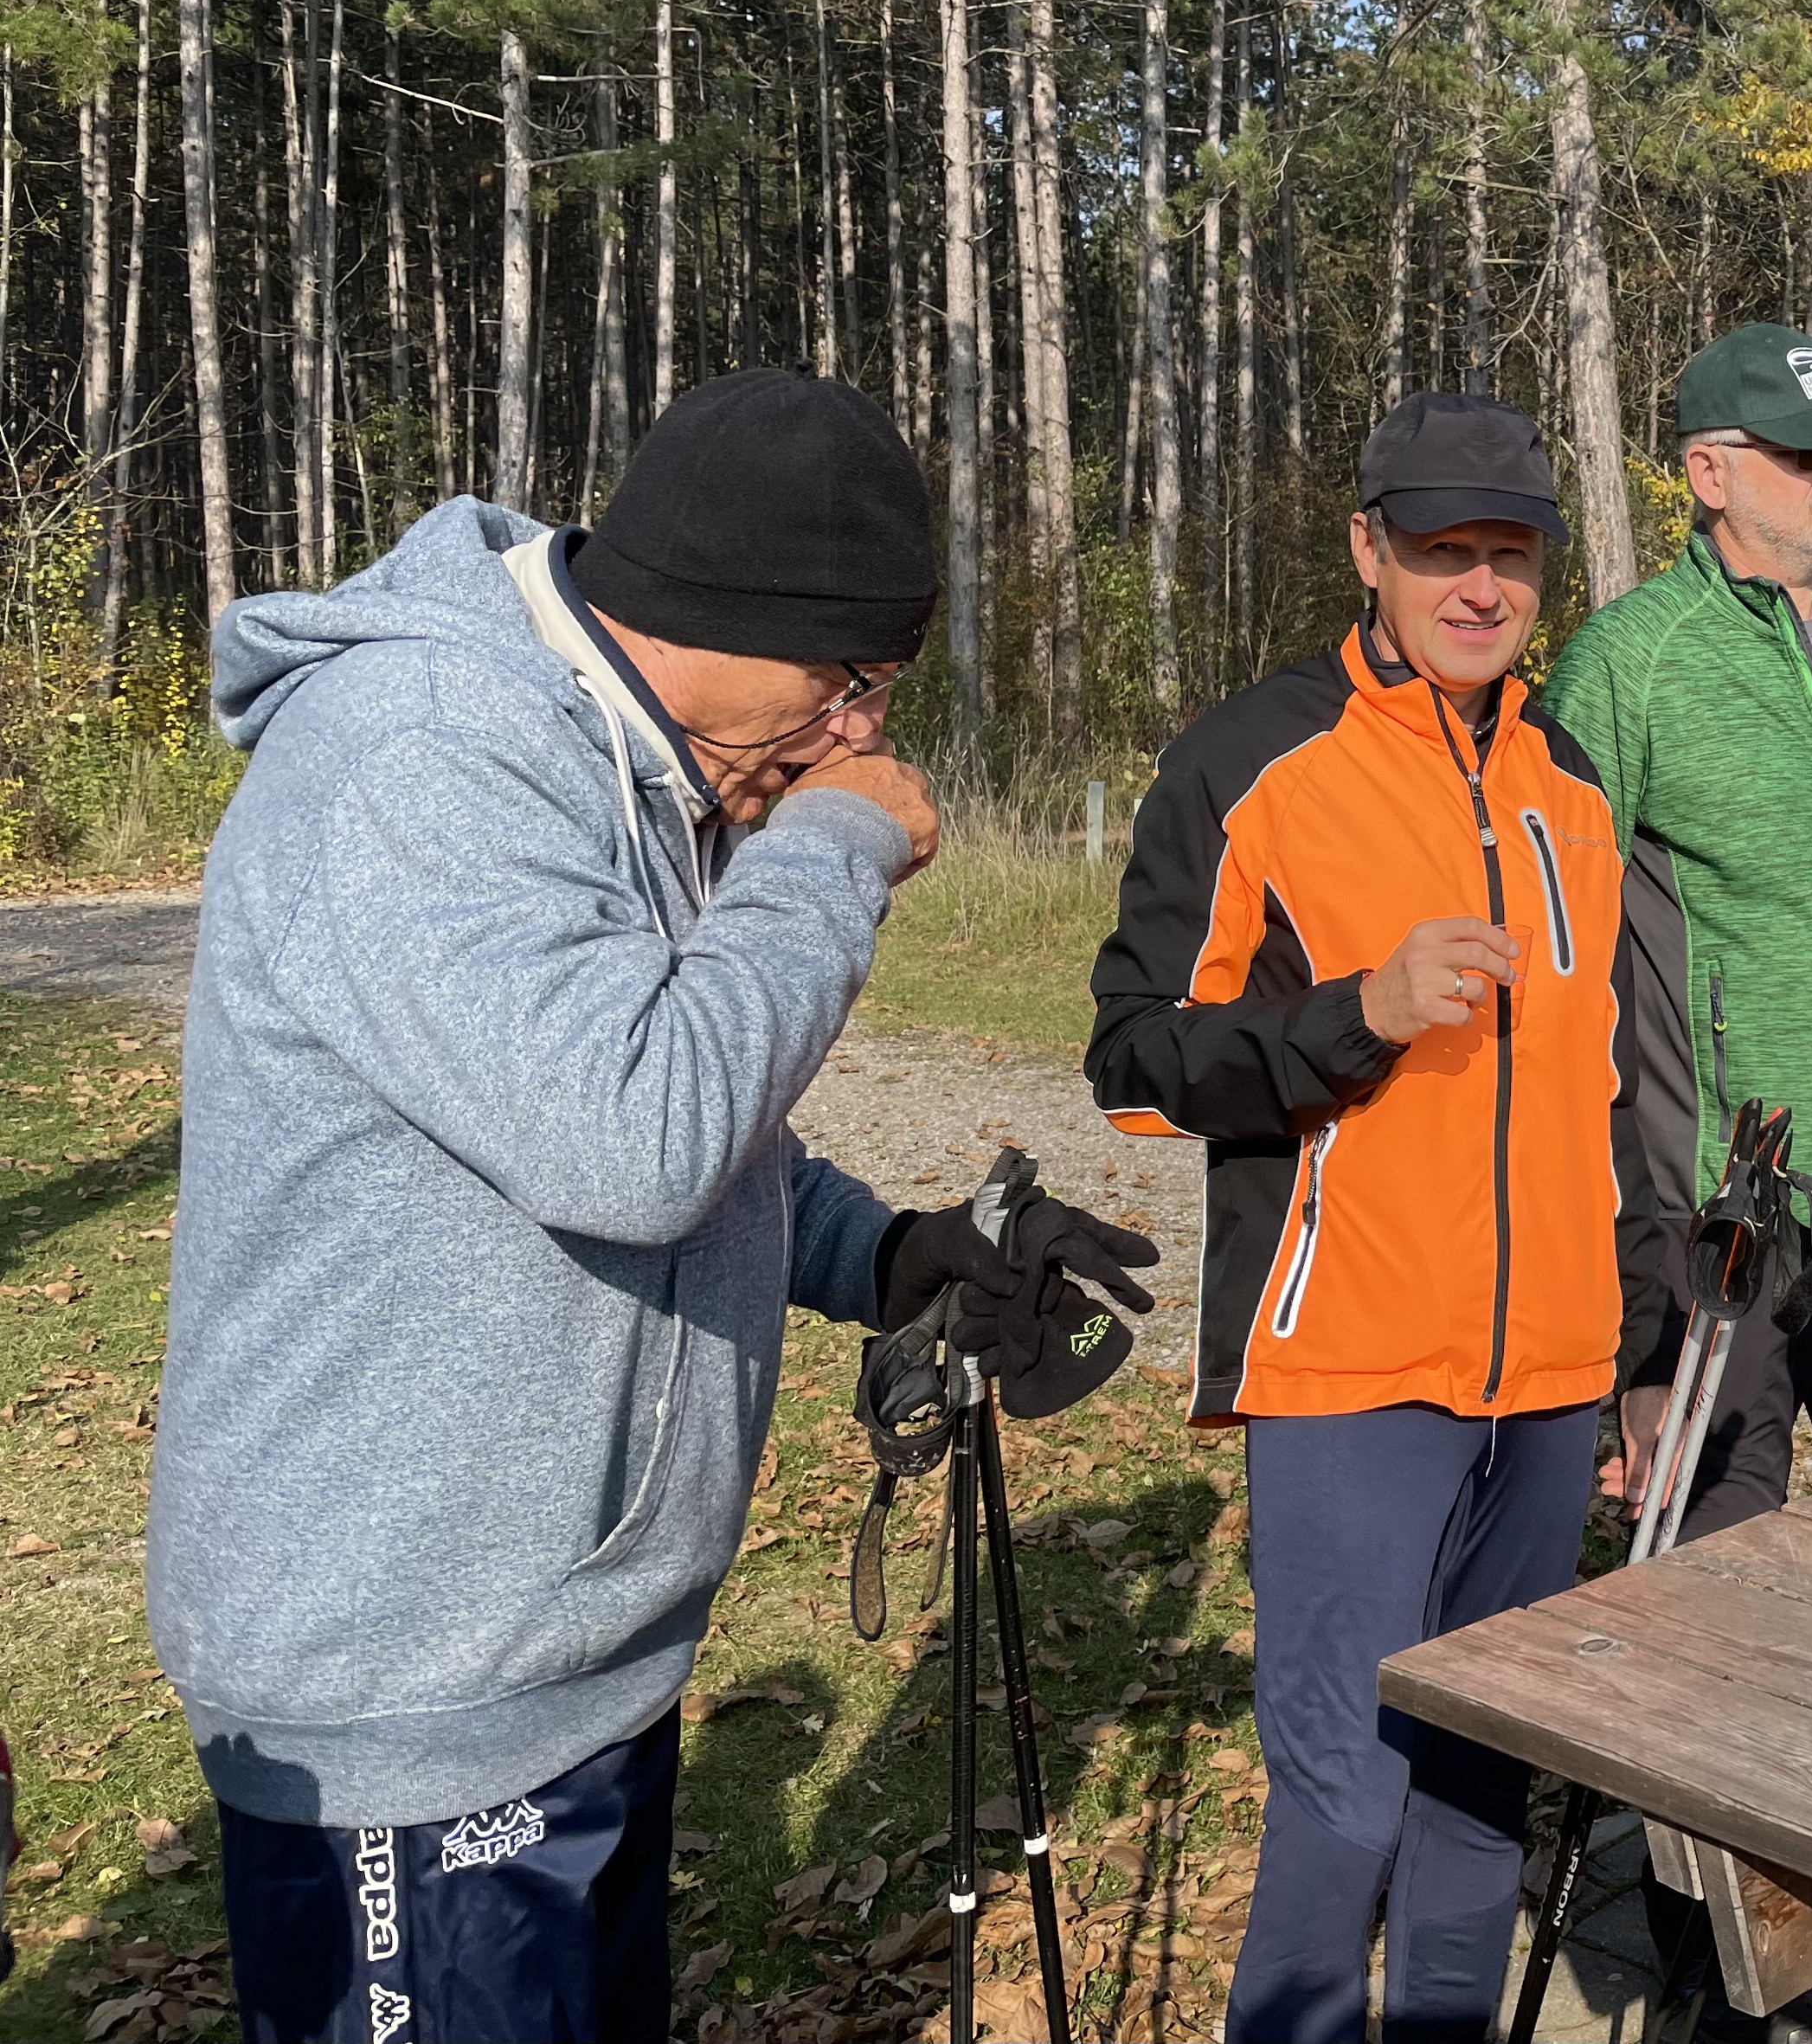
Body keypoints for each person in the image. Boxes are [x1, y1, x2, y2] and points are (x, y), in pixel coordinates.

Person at [151, 370, 1153, 2044]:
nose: (860, 735)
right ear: (720, 618)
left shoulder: (628, 757)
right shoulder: (419, 755)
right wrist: (829, 851)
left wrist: (888, 1253)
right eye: (850, 684)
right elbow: (636, 1135)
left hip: (564, 1658)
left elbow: (674, 1115)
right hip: (410, 1681)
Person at [1084, 394, 1626, 2044]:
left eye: (1510, 552)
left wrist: (1633, 1336)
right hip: (1348, 1372)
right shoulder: (1253, 760)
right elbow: (1133, 1061)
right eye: (1444, 550)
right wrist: (1354, 1018)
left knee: (1483, 1781)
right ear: (1367, 552)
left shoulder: (1570, 778)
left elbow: (1606, 1086)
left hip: (1554, 1375)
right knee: (1344, 1791)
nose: (1481, 586)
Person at [1544, 322, 1812, 1537]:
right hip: (1726, 1221)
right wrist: (1638, 1325)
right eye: (1803, 450)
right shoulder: (1629, 663)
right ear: (1709, 472)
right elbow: (1564, 978)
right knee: (1717, 1588)